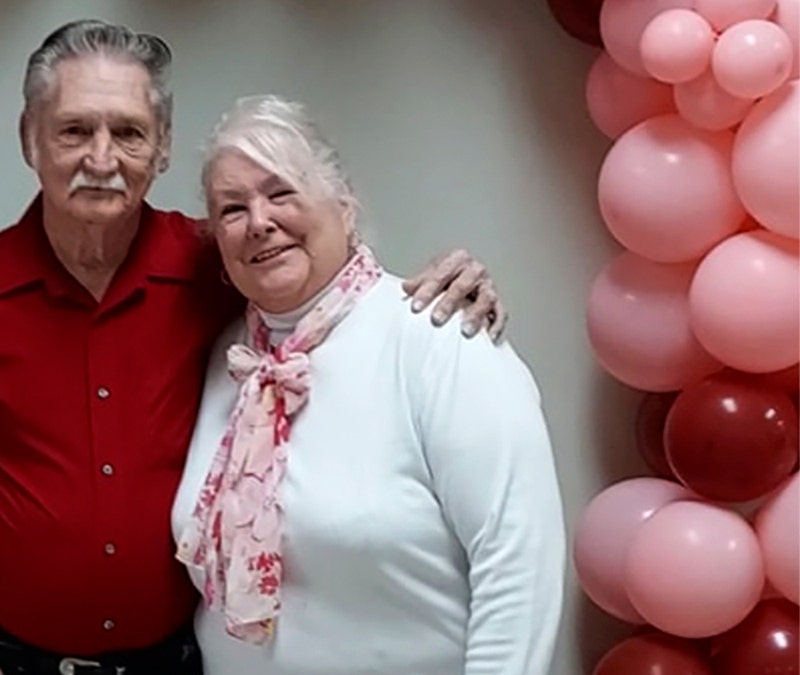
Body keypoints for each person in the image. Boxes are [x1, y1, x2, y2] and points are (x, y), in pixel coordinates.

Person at [0, 19, 508, 675]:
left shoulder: (221, 268)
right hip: (6, 659)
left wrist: (439, 284)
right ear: (30, 138)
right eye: (74, 130)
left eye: (129, 132)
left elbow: (327, 291)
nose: (101, 157)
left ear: (163, 146)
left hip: (178, 661)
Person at [171, 94, 565, 675]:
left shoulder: (439, 338)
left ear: (345, 205)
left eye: (282, 192)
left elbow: (518, 567)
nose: (259, 222)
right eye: (232, 209)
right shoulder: (227, 359)